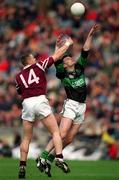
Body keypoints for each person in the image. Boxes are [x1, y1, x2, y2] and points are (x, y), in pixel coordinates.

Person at [38, 24, 100, 176]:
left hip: (82, 107)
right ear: (64, 66)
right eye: (67, 59)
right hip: (71, 104)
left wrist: (90, 34)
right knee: (62, 133)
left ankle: (51, 159)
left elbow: (85, 50)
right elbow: (56, 57)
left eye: (70, 57)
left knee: (70, 138)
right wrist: (57, 45)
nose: (70, 58)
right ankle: (42, 157)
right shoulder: (62, 74)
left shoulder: (79, 67)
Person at [15, 36, 73, 178]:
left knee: (26, 138)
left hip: (27, 103)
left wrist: (55, 45)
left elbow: (21, 92)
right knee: (55, 132)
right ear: (28, 61)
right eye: (32, 58)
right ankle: (59, 157)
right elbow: (57, 56)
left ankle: (22, 166)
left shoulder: (18, 76)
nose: (35, 59)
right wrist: (68, 44)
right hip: (40, 101)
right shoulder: (39, 65)